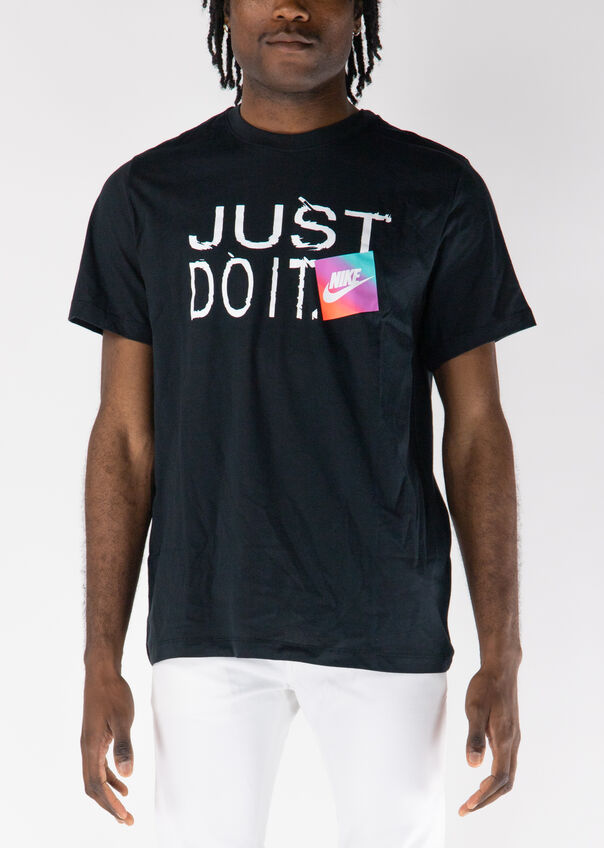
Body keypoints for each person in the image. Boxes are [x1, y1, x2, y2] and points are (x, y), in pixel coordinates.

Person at [69, 1, 536, 845]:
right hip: (207, 617)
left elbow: (475, 430)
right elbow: (126, 438)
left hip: (384, 616)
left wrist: (502, 651)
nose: (292, 7)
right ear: (224, 8)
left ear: (360, 10)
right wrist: (101, 654)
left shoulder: (436, 191)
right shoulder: (149, 197)